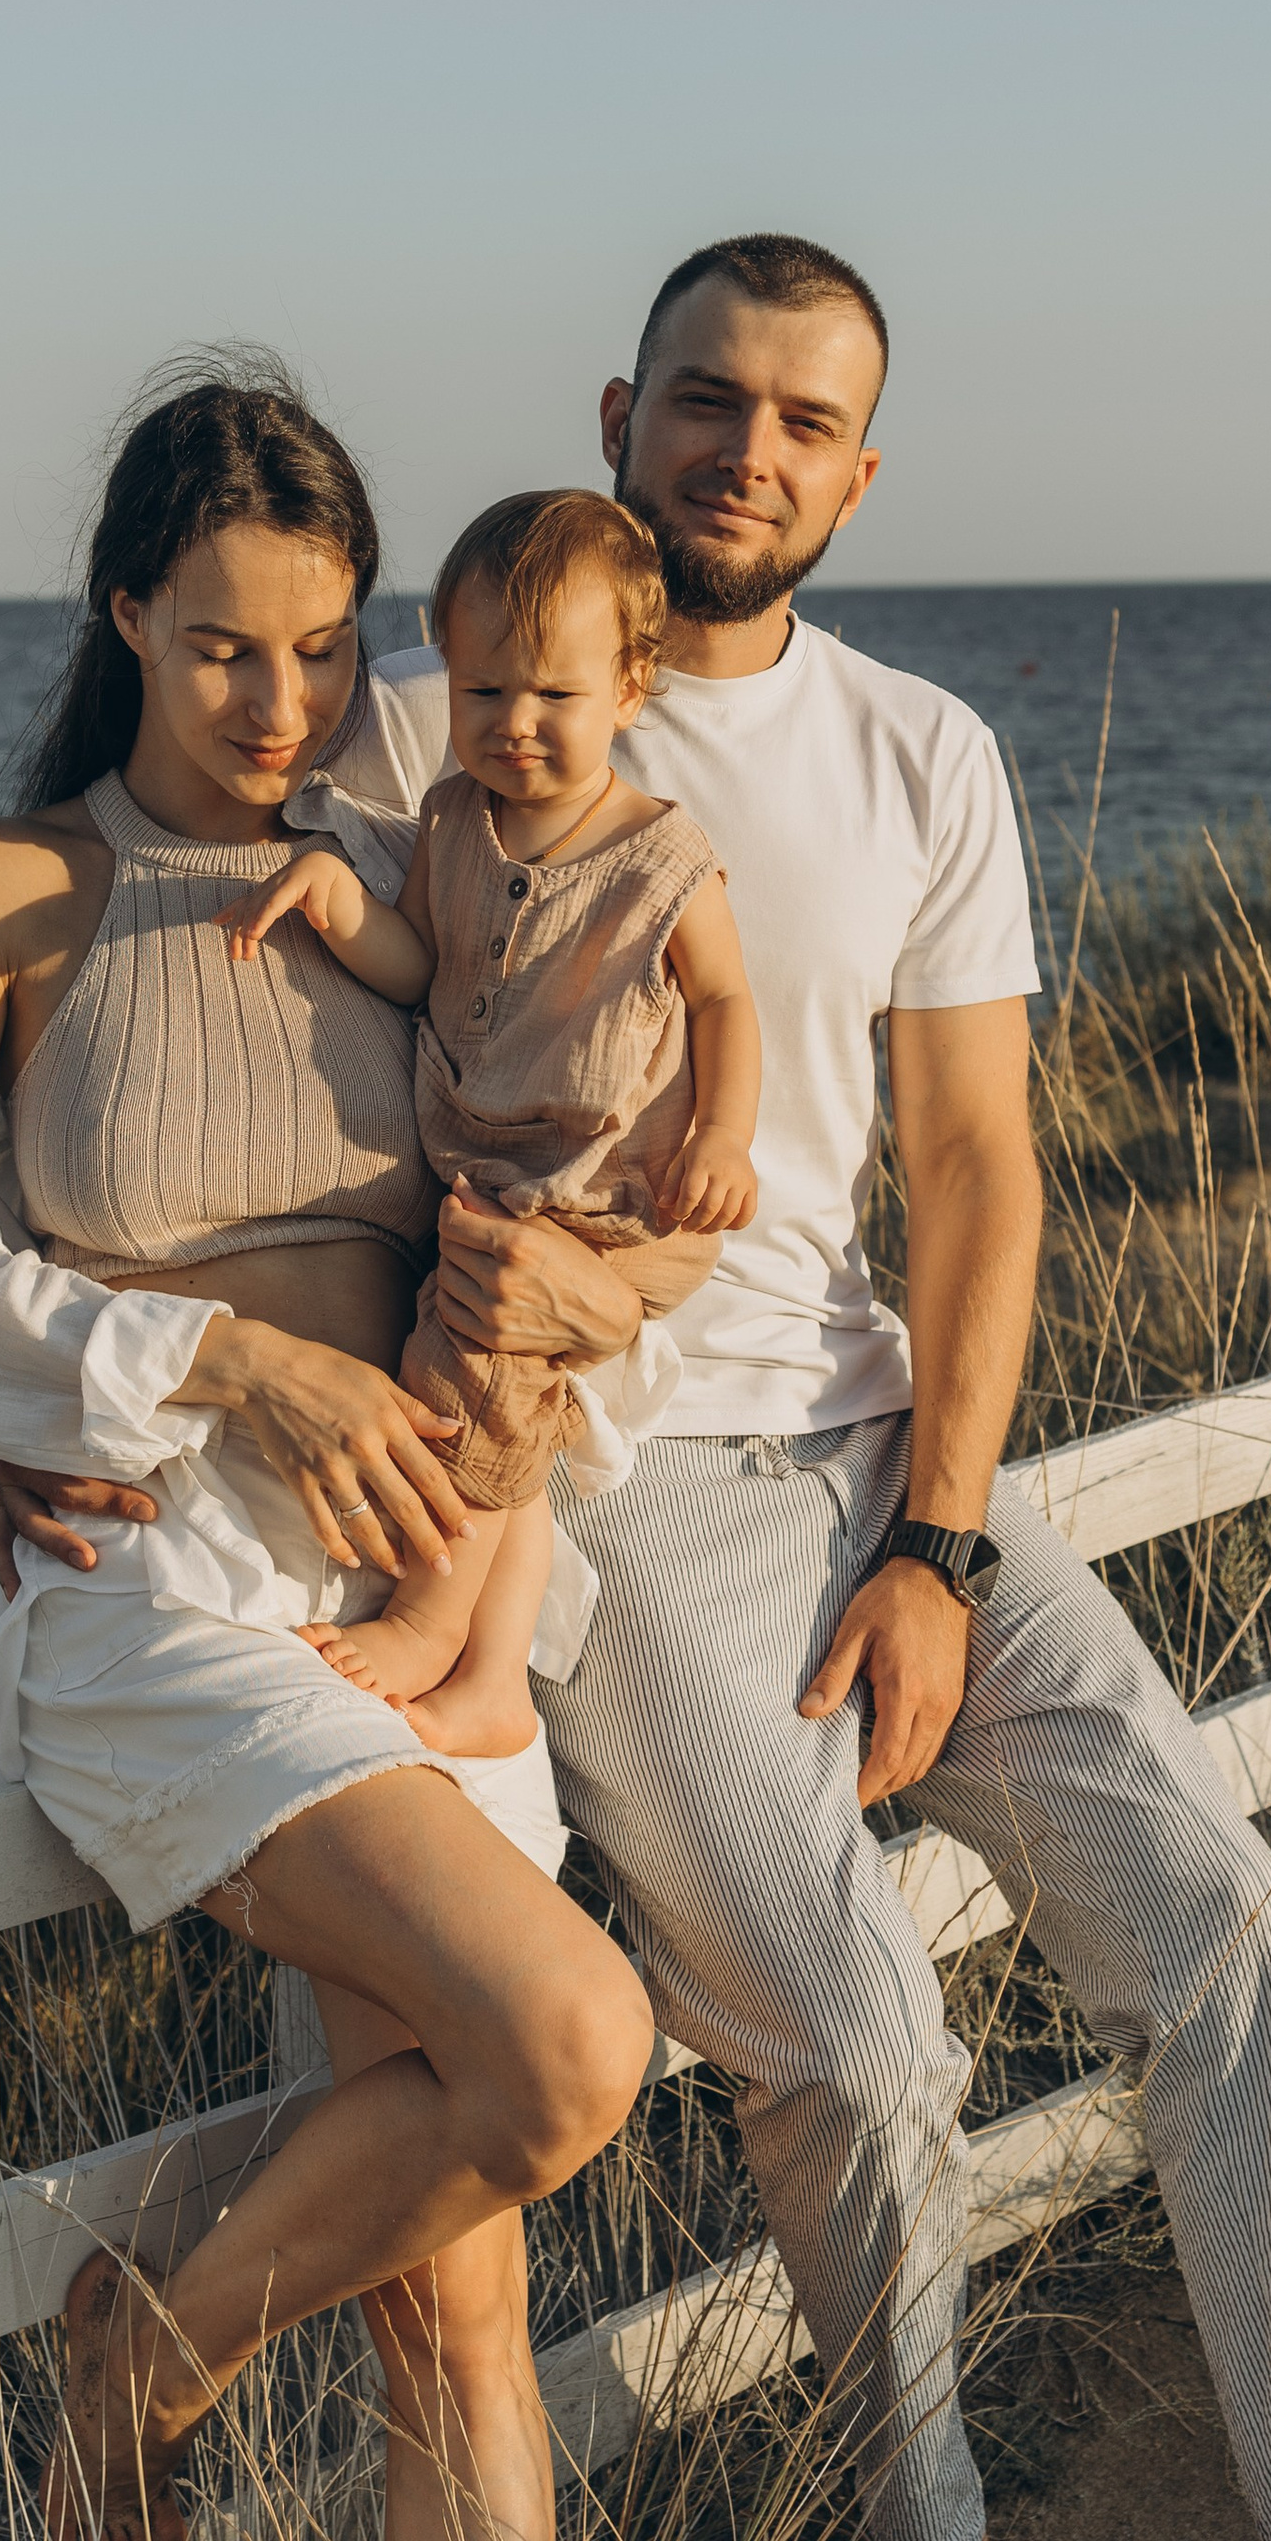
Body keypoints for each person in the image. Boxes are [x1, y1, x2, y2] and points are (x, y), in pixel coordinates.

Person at [315, 236, 1271, 2541]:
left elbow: (976, 1172)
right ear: (616, 409)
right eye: (705, 400)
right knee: (847, 2032)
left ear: (860, 468)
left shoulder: (917, 750)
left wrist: (934, 1537)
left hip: (880, 1454)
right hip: (604, 1488)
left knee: (1220, 1925)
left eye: (803, 420)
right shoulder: (423, 724)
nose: (745, 451)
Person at [0, 362, 656, 2541]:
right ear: (122, 609)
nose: (282, 703)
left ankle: (171, 2359)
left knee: (460, 2305)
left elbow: (580, 1189)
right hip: (161, 1600)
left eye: (318, 647)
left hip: (412, 1582)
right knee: (568, 2033)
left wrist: (534, 1404)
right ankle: (155, 2336)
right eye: (219, 647)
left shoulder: (416, 872)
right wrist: (210, 1364)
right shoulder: (12, 880)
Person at [224, 483, 760, 1756]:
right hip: (506, 1181)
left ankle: (429, 1627)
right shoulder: (452, 822)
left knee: (474, 1379)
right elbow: (425, 967)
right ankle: (497, 1680)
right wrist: (337, 900)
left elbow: (729, 999)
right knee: (507, 1403)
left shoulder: (658, 855)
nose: (514, 727)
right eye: (484, 695)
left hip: (622, 1192)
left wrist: (723, 1139)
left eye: (554, 699)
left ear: (630, 688)